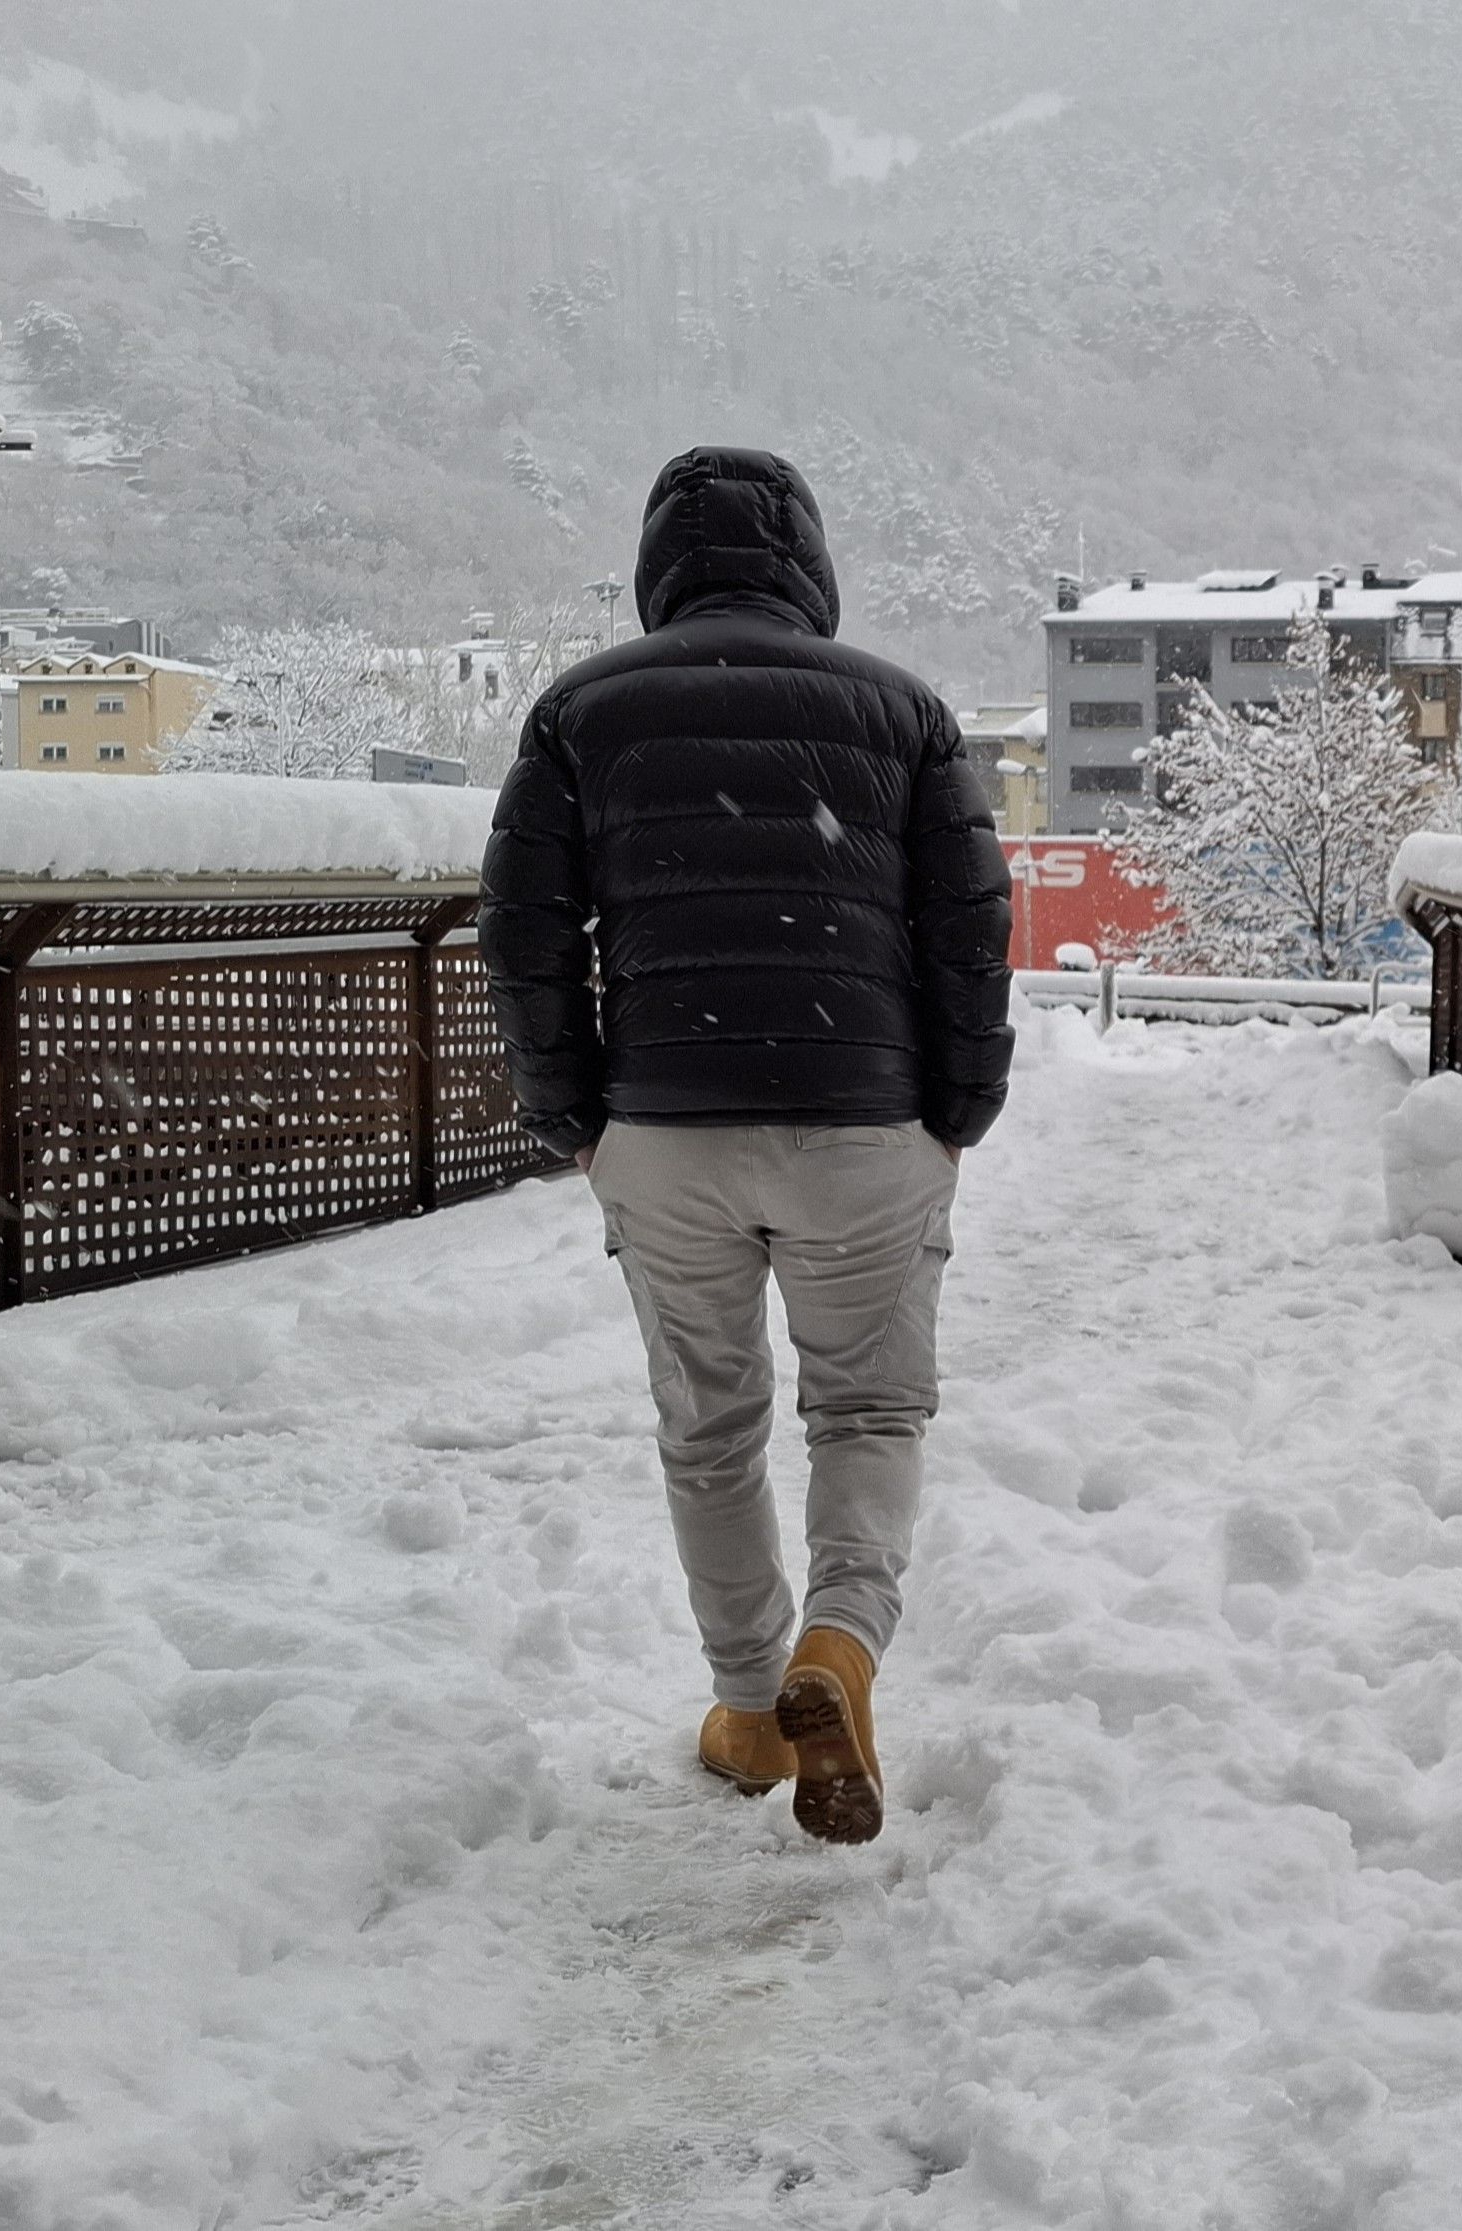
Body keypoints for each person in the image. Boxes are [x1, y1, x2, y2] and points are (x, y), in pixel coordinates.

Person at [480, 447, 1012, 1844]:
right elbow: (969, 935)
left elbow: (524, 938)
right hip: (864, 1121)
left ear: (657, 568)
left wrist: (574, 1119)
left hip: (664, 1128)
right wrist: (958, 1110)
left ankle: (753, 1706)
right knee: (868, 1412)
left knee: (709, 1427)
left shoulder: (581, 712)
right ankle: (839, 1647)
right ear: (811, 567)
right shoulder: (902, 711)